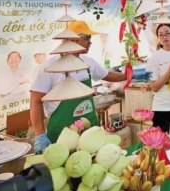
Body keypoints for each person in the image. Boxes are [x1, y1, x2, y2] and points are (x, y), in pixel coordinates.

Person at [30, 21, 128, 154]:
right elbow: (35, 101)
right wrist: (40, 135)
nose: (90, 42)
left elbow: (108, 75)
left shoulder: (88, 62)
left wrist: (129, 74)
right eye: (87, 38)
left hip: (89, 132)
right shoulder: (48, 67)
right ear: (71, 39)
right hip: (61, 133)